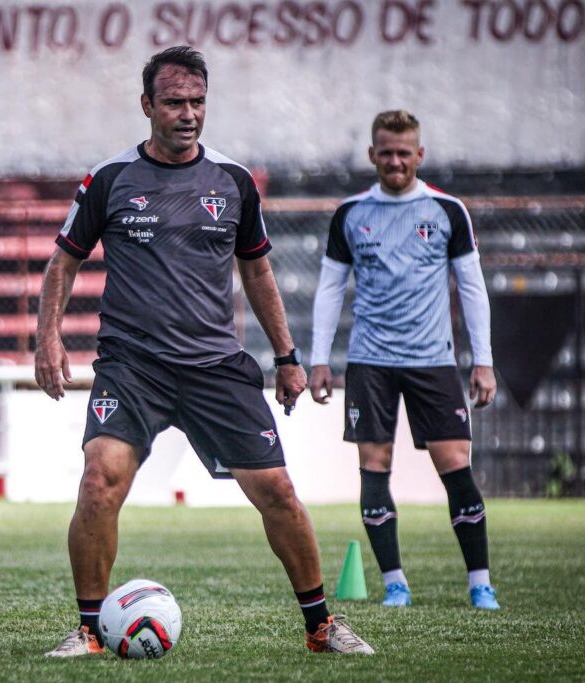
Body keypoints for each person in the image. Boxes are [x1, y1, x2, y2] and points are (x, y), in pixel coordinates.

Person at [35, 46, 373, 656]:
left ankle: (321, 626)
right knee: (98, 481)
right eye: (174, 102)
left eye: (197, 102)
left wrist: (287, 356)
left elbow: (259, 273)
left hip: (216, 367)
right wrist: (49, 337)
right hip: (132, 367)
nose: (188, 114)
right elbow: (63, 263)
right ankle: (88, 630)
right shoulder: (109, 179)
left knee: (277, 491)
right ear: (146, 106)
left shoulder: (233, 182)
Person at [308, 110, 500, 610]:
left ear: (420, 154)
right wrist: (318, 358)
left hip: (432, 360)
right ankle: (395, 583)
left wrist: (483, 361)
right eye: (386, 152)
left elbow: (472, 287)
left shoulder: (447, 210)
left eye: (404, 152)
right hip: (370, 362)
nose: (395, 161)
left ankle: (480, 584)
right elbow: (330, 289)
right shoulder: (351, 213)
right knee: (374, 465)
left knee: (455, 463)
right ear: (372, 154)